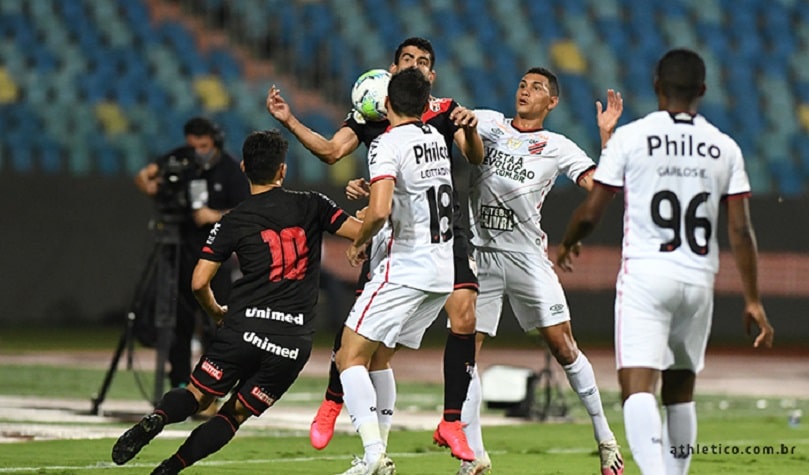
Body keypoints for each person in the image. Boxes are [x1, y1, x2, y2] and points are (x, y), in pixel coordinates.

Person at [556, 49, 775, 475]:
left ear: (657, 85)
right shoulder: (724, 148)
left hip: (647, 276)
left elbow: (591, 211)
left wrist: (568, 242)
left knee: (638, 387)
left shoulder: (632, 137)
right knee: (680, 388)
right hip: (698, 281)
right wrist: (752, 299)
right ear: (703, 91)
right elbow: (741, 231)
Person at [267, 36, 484, 462]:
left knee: (356, 348)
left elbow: (391, 202)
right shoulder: (420, 132)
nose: (416, 67)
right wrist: (372, 191)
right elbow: (337, 154)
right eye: (408, 60)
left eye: (423, 62)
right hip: (422, 254)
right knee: (375, 352)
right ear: (393, 69)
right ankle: (344, 414)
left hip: (407, 252)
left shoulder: (434, 120)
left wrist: (364, 230)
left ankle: (379, 451)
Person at [111, 129, 363, 474]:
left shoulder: (233, 219)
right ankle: (172, 467)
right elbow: (363, 229)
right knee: (233, 415)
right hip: (291, 342)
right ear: (282, 170)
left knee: (198, 393)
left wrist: (216, 311)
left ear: (244, 168)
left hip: (242, 328)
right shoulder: (313, 204)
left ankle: (156, 419)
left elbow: (199, 281)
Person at [461, 67, 625, 475]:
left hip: (526, 258)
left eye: (536, 88)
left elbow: (599, 185)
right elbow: (447, 119)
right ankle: (475, 456)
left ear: (552, 102)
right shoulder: (489, 122)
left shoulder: (556, 145)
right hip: (481, 256)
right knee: (463, 354)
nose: (525, 91)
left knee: (564, 347)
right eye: (522, 84)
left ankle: (605, 438)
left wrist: (608, 139)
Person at [333, 66, 457, 475]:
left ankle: (371, 456)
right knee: (380, 358)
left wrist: (358, 240)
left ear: (385, 104)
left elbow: (382, 209)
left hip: (407, 266)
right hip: (442, 271)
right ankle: (380, 456)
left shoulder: (386, 143)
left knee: (348, 356)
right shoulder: (436, 138)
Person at [134, 117, 249, 390]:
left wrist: (215, 215)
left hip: (216, 255)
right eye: (193, 145)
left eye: (204, 145)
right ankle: (180, 383)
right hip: (180, 249)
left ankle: (211, 385)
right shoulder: (181, 158)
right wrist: (149, 186)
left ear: (215, 142)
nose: (198, 151)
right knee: (177, 321)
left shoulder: (230, 170)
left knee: (216, 321)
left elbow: (246, 210)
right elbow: (144, 175)